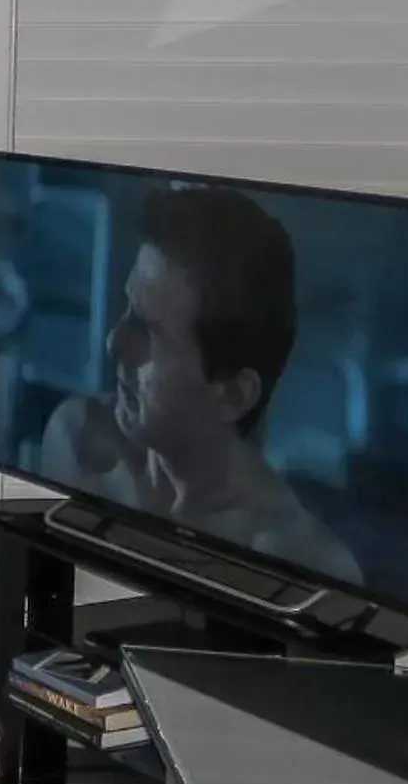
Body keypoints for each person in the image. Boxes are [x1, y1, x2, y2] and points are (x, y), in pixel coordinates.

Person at [38, 184, 360, 584]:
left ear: (231, 394)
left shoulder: (298, 563)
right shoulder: (76, 442)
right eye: (127, 308)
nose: (114, 342)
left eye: (148, 329)